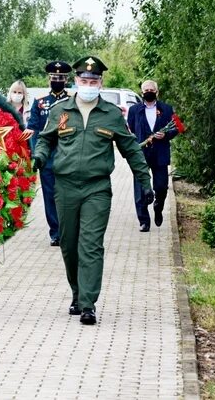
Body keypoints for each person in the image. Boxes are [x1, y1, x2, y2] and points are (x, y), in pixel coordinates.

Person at [33, 56, 153, 325]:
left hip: (96, 188)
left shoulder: (110, 114)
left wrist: (145, 182)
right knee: (69, 244)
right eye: (84, 81)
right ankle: (77, 293)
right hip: (64, 187)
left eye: (93, 81)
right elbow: (45, 140)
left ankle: (88, 304)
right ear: (76, 82)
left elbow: (131, 149)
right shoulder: (60, 111)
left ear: (101, 83)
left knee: (90, 245)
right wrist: (38, 159)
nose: (88, 84)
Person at [27, 61, 72, 246]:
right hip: (48, 158)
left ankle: (68, 229)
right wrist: (36, 155)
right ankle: (55, 232)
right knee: (50, 196)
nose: (57, 80)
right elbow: (33, 130)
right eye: (54, 78)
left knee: (67, 196)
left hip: (68, 156)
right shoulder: (40, 103)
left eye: (61, 78)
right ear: (49, 79)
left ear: (67, 80)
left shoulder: (71, 101)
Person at [127, 80, 179, 232]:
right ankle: (144, 221)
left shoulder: (167, 109)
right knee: (141, 187)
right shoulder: (134, 110)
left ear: (157, 92)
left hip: (160, 153)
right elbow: (131, 129)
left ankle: (158, 206)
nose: (148, 91)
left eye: (151, 89)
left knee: (161, 187)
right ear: (141, 92)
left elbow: (176, 128)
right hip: (141, 154)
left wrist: (166, 134)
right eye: (146, 89)